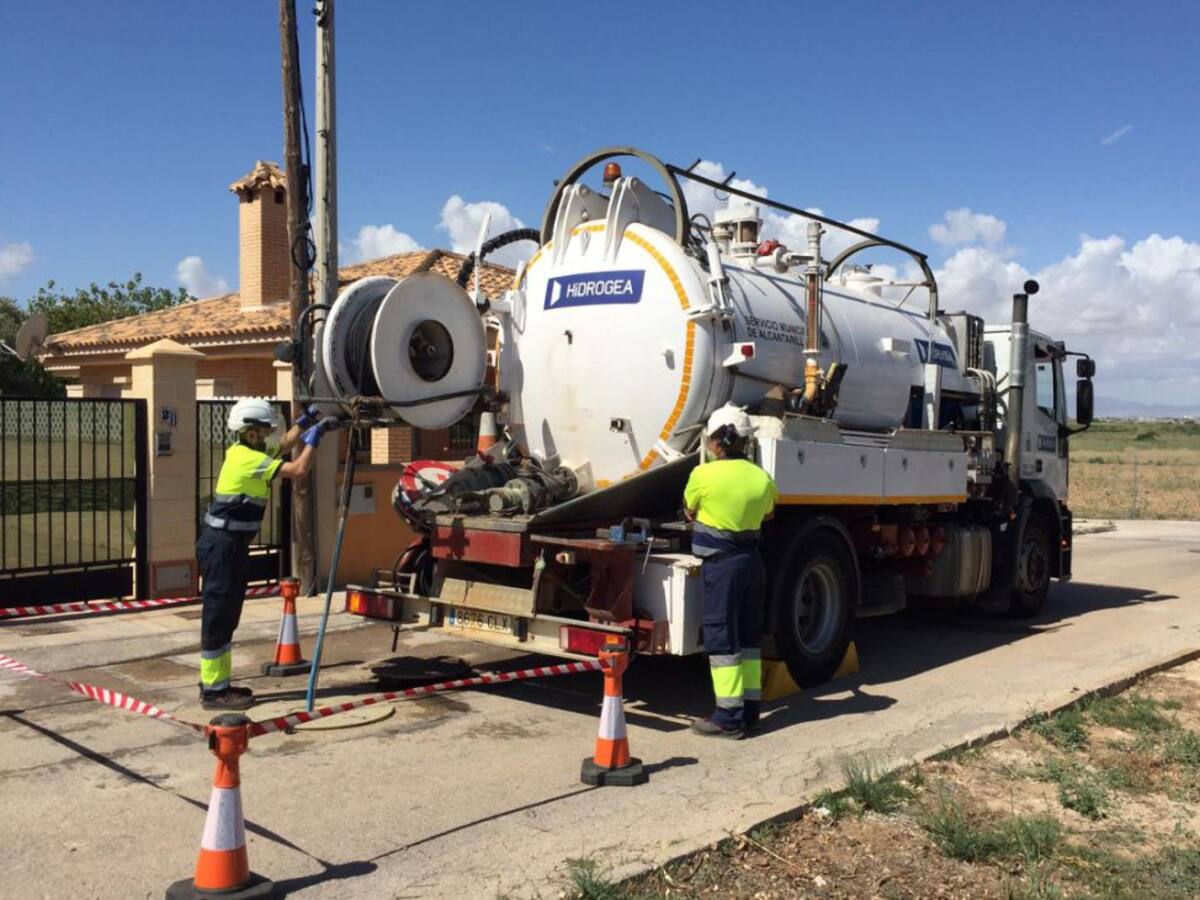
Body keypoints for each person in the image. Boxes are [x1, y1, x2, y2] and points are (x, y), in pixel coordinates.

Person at [196, 399, 338, 710]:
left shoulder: (248, 451)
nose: (265, 437)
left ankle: (218, 684)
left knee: (227, 615)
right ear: (247, 433)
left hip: (228, 543)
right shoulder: (247, 460)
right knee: (219, 617)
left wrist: (308, 419)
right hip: (223, 544)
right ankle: (213, 692)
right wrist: (315, 438)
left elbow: (284, 444)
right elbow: (299, 469)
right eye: (260, 432)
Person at [683, 404, 778, 739]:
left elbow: (690, 509)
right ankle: (750, 710)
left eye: (710, 439)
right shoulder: (762, 478)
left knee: (722, 636)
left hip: (722, 566)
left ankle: (727, 716)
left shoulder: (703, 475)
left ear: (717, 442)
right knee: (749, 636)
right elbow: (767, 516)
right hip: (753, 563)